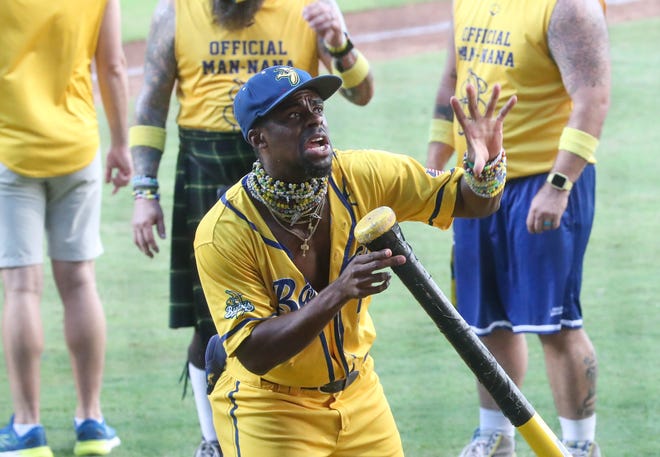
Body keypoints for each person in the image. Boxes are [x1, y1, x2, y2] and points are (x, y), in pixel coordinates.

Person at [193, 64, 516, 457]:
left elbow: (468, 201)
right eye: (294, 115)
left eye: (316, 109)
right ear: (259, 138)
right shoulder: (224, 232)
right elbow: (256, 353)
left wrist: (490, 161)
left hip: (359, 395)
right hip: (271, 409)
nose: (314, 119)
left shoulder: (362, 175)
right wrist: (339, 291)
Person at [129, 1, 374, 455]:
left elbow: (361, 92)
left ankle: (297, 410)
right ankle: (212, 440)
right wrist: (144, 190)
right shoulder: (175, 14)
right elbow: (150, 103)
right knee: (211, 322)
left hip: (293, 163)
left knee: (297, 299)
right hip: (207, 165)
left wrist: (339, 42)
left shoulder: (307, 9)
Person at [426, 0, 610, 456]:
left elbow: (593, 97)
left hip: (544, 180)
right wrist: (434, 161)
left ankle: (580, 446)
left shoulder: (569, 8)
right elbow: (453, 78)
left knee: (557, 322)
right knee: (487, 319)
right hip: (479, 178)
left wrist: (560, 184)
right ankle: (496, 433)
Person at [0, 0, 130, 455]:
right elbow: (112, 65)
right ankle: (91, 422)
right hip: (76, 146)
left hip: (10, 147)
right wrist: (121, 143)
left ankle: (27, 427)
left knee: (20, 288)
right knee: (79, 281)